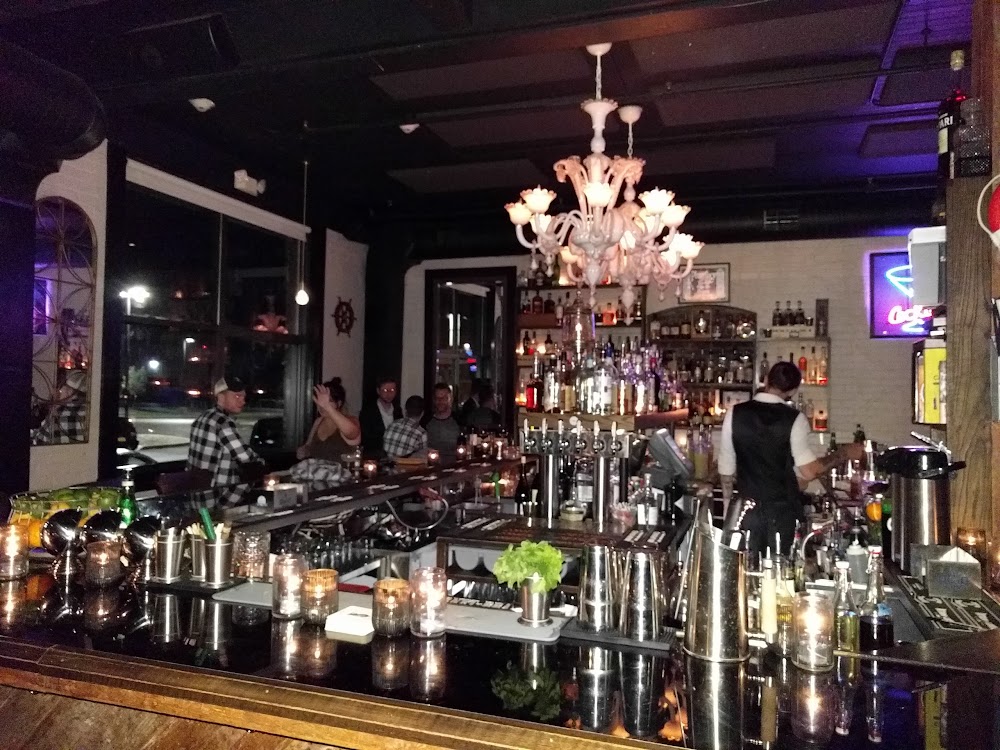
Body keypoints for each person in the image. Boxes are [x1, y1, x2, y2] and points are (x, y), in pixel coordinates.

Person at [718, 361, 863, 555]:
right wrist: (844, 453)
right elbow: (809, 471)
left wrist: (729, 506)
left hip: (745, 512)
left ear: (766, 380)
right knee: (778, 569)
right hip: (780, 514)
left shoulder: (734, 413)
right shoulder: (795, 419)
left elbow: (726, 471)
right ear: (793, 391)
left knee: (743, 568)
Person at [187, 375, 262, 487]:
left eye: (243, 397)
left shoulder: (203, 417)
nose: (243, 401)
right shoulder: (222, 422)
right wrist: (263, 464)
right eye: (237, 396)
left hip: (197, 491)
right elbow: (245, 457)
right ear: (221, 397)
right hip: (218, 493)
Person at [297, 377, 361, 461]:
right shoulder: (318, 421)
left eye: (328, 401)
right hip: (317, 468)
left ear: (339, 403)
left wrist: (327, 407)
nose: (321, 406)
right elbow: (309, 446)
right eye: (319, 401)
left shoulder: (350, 420)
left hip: (341, 469)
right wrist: (304, 451)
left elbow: (352, 433)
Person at [37, 369, 88, 444]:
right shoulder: (92, 413)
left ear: (70, 392)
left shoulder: (57, 416)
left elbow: (38, 441)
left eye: (62, 389)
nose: (60, 391)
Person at [358, 375, 402, 457]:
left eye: (392, 390)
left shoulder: (397, 410)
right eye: (385, 390)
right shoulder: (368, 411)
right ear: (378, 391)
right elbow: (365, 437)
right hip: (374, 455)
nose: (389, 394)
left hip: (395, 455)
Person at [422, 382, 461, 458]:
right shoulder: (426, 420)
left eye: (443, 398)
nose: (440, 401)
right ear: (433, 399)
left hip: (455, 462)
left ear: (450, 399)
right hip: (431, 462)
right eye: (437, 398)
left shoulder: (459, 420)